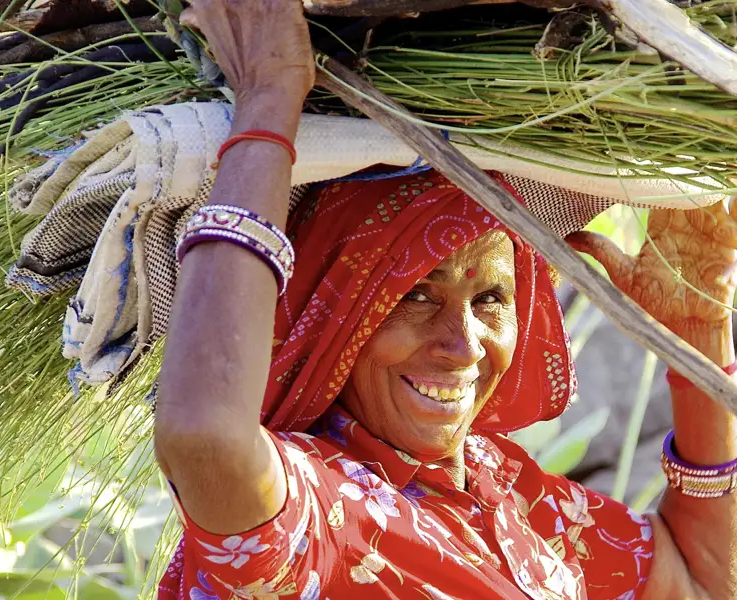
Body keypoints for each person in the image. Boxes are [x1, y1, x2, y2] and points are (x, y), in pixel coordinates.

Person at [153, 1, 737, 598]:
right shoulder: (321, 511)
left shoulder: (512, 499)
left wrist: (699, 333)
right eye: (415, 295)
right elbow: (207, 438)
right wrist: (266, 101)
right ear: (337, 316)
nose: (464, 347)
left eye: (490, 299)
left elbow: (700, 581)